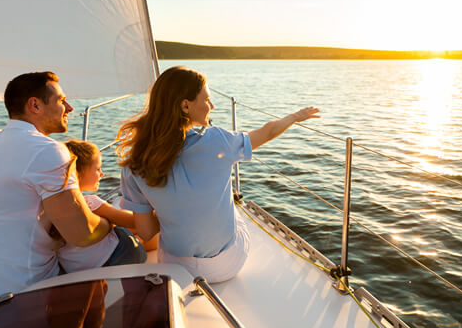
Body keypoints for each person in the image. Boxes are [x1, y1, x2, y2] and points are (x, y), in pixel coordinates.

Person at [0, 72, 138, 314]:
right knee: (126, 244)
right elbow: (82, 235)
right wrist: (111, 222)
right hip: (15, 291)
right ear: (35, 105)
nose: (70, 107)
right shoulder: (48, 151)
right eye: (62, 100)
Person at [117, 66, 319, 282]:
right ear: (185, 105)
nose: (212, 106)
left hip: (174, 267)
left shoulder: (134, 163)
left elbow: (146, 232)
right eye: (206, 100)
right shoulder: (218, 141)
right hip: (224, 266)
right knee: (234, 207)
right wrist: (295, 117)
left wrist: (173, 210)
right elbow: (267, 132)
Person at [54, 139, 149, 273]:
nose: (102, 174)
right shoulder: (91, 203)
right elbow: (135, 222)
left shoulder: (52, 208)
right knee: (132, 230)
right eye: (98, 169)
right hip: (121, 256)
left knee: (117, 225)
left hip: (77, 269)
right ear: (78, 174)